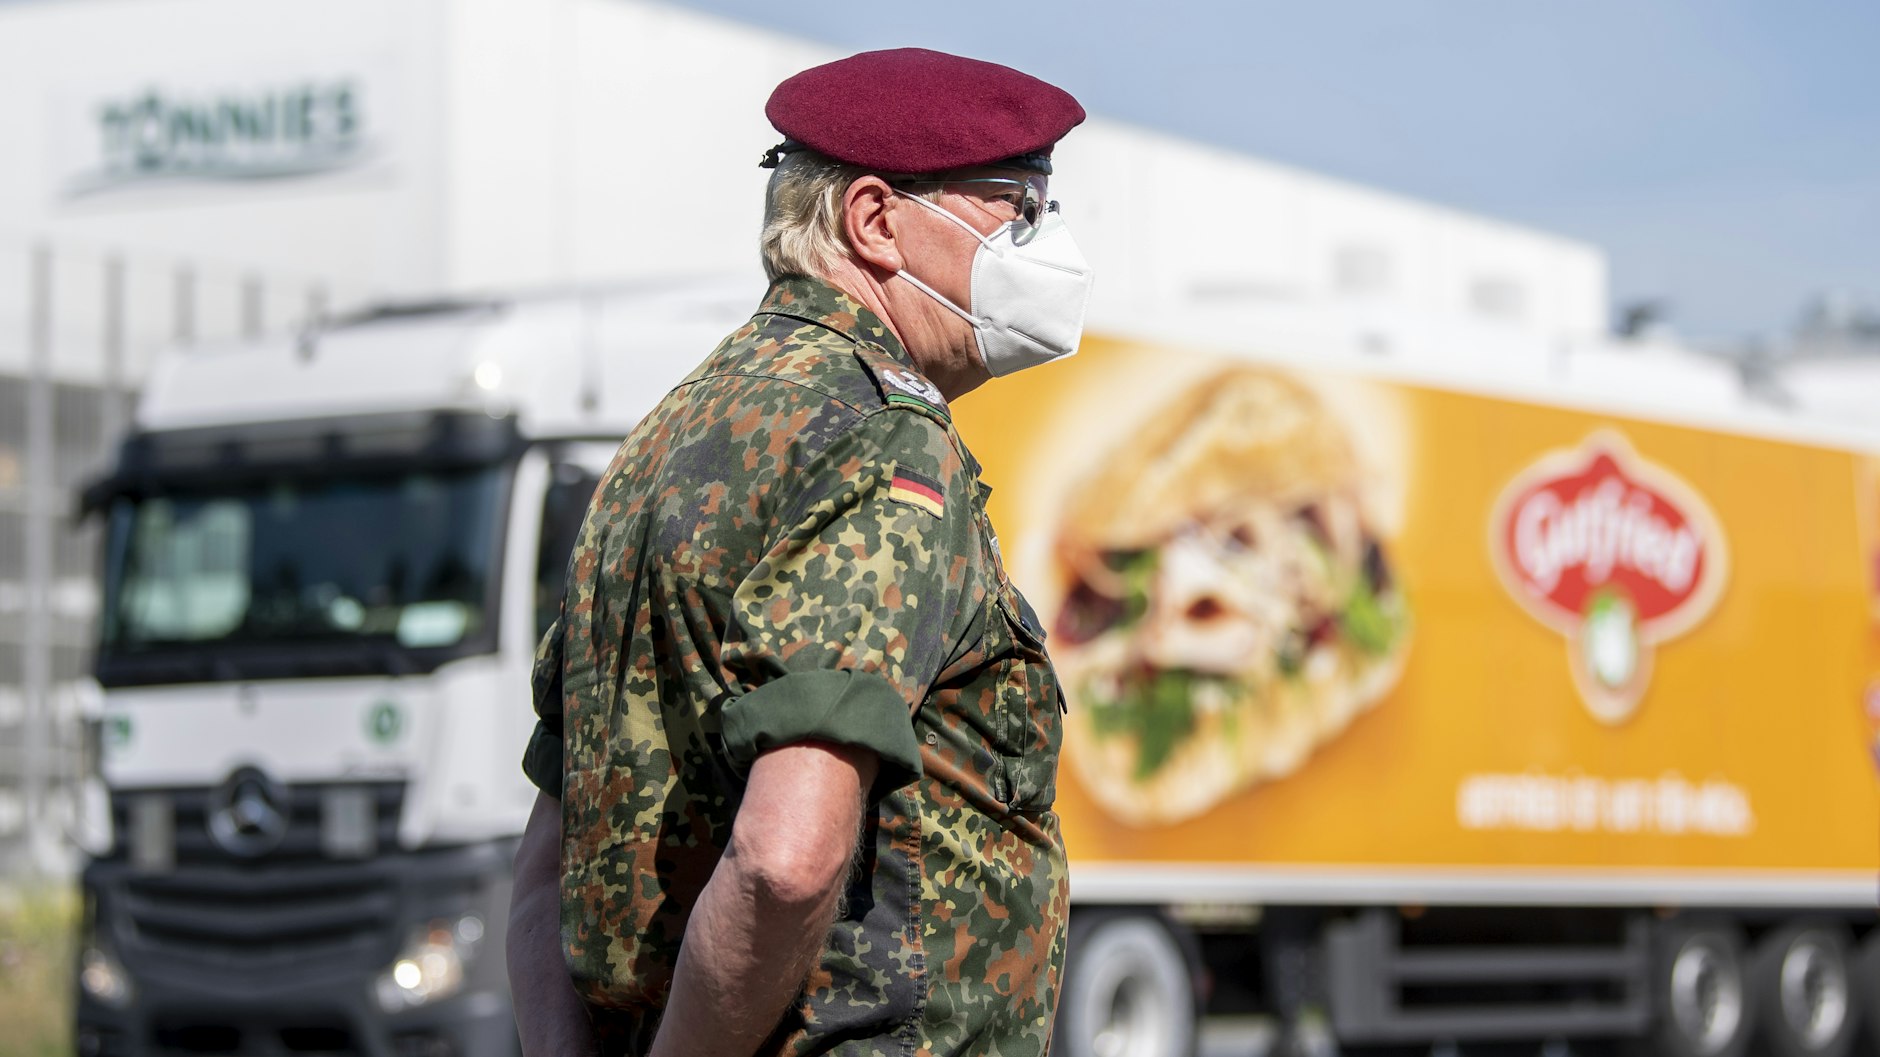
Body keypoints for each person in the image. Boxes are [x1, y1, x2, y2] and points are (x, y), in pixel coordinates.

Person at [505, 47, 1093, 1057]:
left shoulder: (665, 437)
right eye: (1018, 206)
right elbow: (786, 857)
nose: (1050, 241)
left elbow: (547, 870)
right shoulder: (879, 439)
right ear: (874, 221)